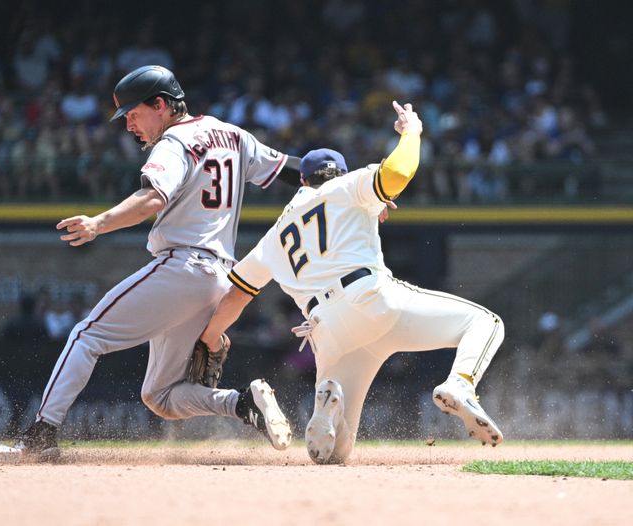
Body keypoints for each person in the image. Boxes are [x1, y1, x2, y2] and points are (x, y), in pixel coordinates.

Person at [197, 101, 505, 464]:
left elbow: (235, 296)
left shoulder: (275, 235)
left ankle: (330, 397)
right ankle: (461, 384)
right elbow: (399, 171)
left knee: (335, 455)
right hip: (371, 301)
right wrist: (412, 133)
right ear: (339, 171)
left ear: (302, 181)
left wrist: (208, 338)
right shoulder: (348, 185)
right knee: (485, 323)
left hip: (325, 331)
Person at [18, 65, 301, 459]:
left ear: (161, 104)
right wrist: (353, 188)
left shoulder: (173, 142)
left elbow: (152, 199)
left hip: (183, 268)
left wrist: (99, 223)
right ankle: (242, 404)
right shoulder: (234, 136)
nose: (129, 125)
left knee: (86, 336)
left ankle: (41, 432)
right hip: (220, 278)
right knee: (160, 396)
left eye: (134, 114)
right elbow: (296, 169)